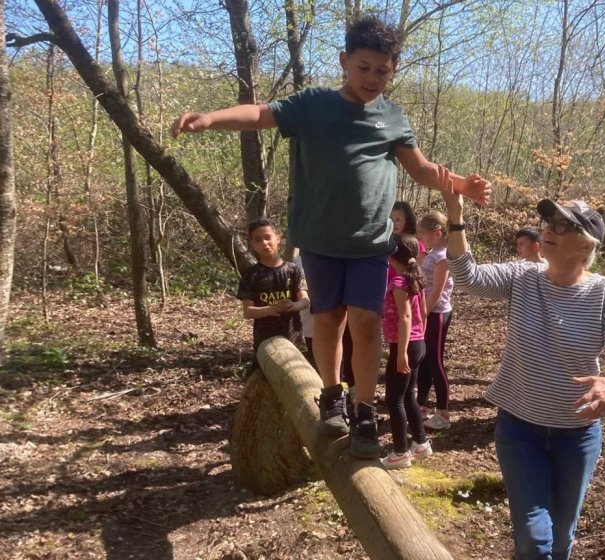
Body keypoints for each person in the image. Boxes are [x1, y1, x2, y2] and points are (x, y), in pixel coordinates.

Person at [171, 16, 491, 459]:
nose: (372, 78)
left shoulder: (392, 117)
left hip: (368, 244)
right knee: (328, 321)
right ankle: (331, 395)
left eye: (382, 70)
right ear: (344, 62)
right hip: (320, 240)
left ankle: (363, 410)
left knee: (366, 323)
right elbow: (261, 113)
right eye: (363, 67)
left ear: (393, 70)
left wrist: (460, 185)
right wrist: (210, 119)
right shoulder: (313, 105)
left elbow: (419, 168)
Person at [440, 181, 605, 560]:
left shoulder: (604, 293)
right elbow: (467, 277)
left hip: (578, 437)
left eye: (563, 225)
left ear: (587, 245)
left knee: (562, 539)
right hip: (520, 431)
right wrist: (456, 217)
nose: (548, 229)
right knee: (534, 541)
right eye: (548, 222)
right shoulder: (523, 277)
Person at [380, 233, 432, 469]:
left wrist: (401, 353)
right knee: (408, 395)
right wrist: (420, 339)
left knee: (394, 399)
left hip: (406, 345)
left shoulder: (400, 282)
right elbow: (423, 312)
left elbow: (407, 316)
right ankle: (420, 443)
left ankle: (400, 452)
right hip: (417, 343)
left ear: (392, 255)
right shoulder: (414, 278)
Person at [236, 219, 310, 366]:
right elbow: (248, 312)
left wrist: (293, 305)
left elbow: (305, 301)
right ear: (252, 245)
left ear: (278, 238)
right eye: (258, 240)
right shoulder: (252, 275)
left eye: (267, 237)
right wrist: (270, 310)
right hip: (265, 341)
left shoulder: (293, 270)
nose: (264, 243)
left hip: (293, 337)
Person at [416, 211, 454, 430]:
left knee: (435, 361)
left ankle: (443, 412)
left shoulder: (443, 257)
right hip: (428, 312)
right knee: (425, 360)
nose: (421, 238)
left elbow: (437, 291)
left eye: (424, 233)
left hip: (437, 313)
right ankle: (421, 404)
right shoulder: (433, 253)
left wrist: (424, 314)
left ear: (437, 233)